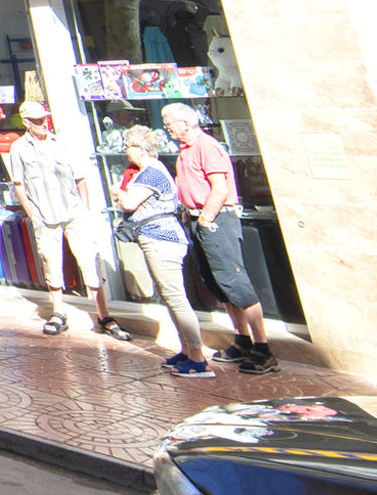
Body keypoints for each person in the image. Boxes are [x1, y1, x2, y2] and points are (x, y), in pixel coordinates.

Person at [162, 102, 276, 374]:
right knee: (219, 283)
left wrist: (205, 219)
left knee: (235, 280)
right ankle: (242, 340)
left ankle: (263, 349)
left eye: (169, 121)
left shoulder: (206, 146)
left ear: (185, 123)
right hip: (198, 219)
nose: (166, 126)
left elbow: (220, 188)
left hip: (215, 219)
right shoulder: (185, 149)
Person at [5, 100, 129, 340]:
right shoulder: (19, 148)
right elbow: (19, 183)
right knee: (51, 261)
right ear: (27, 123)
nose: (43, 124)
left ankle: (103, 314)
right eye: (37, 120)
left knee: (89, 260)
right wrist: (32, 213)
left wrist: (84, 208)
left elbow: (80, 178)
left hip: (73, 211)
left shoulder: (61, 143)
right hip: (44, 214)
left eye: (44, 119)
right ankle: (57, 310)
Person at [116, 127, 211, 376]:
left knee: (175, 297)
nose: (126, 151)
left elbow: (128, 203)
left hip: (162, 239)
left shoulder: (152, 173)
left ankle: (198, 357)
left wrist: (118, 193)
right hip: (156, 238)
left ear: (140, 149)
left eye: (127, 146)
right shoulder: (150, 172)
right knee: (169, 296)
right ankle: (187, 349)